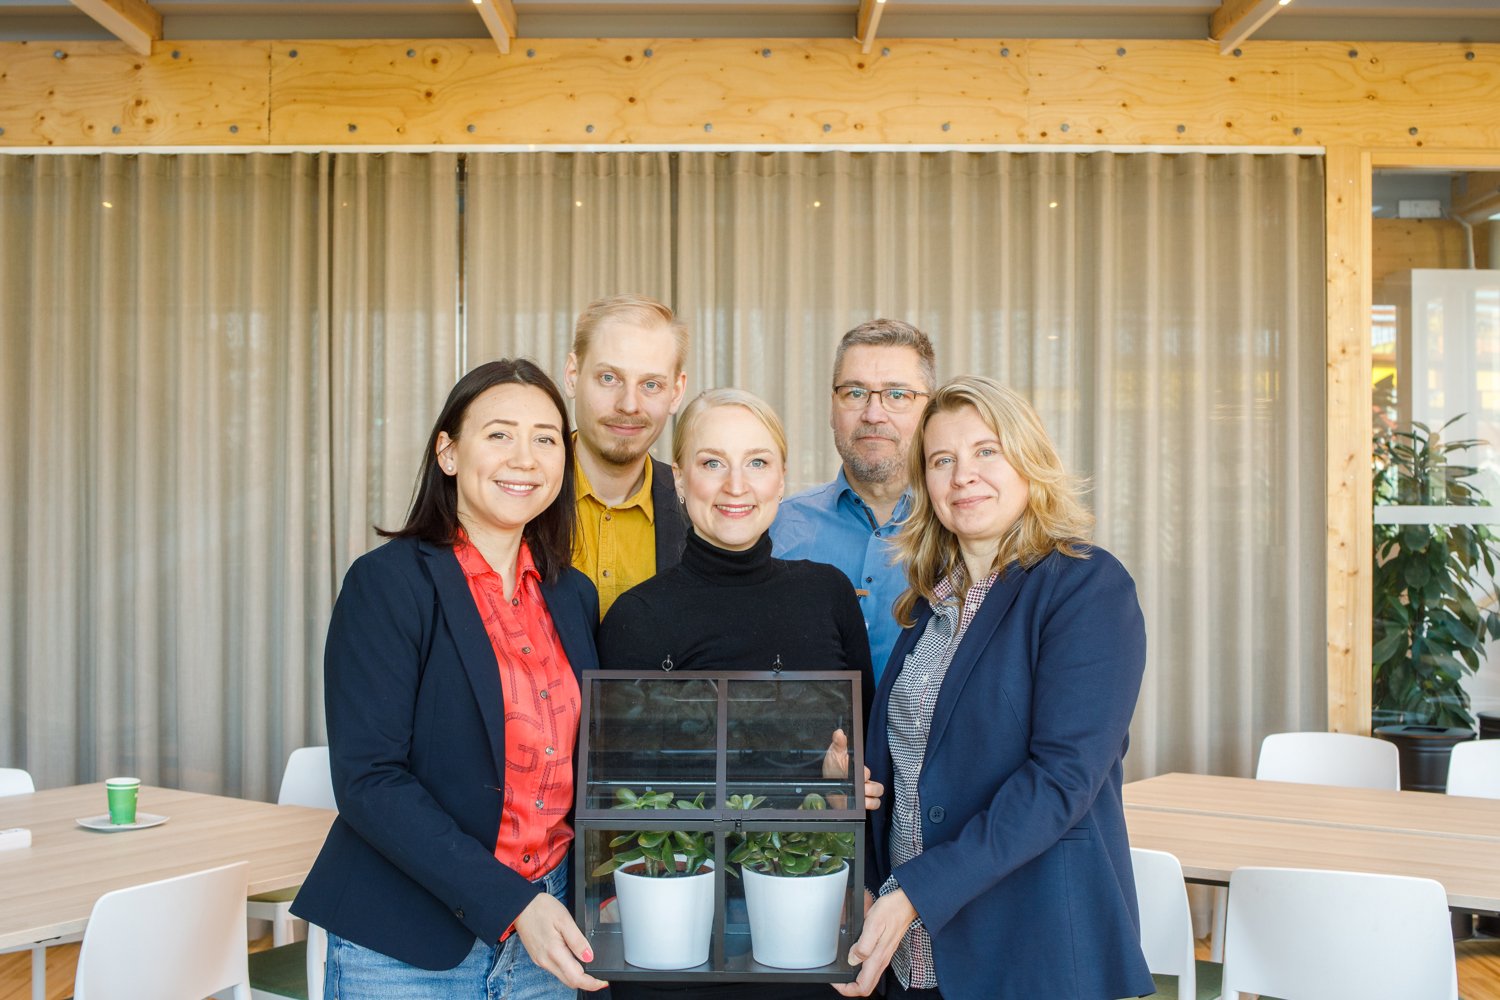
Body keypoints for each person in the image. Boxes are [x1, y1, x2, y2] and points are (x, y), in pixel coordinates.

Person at [293, 359, 608, 998]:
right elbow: (370, 781)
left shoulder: (572, 596)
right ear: (448, 452)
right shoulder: (387, 583)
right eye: (499, 434)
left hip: (549, 936)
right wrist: (513, 903)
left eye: (546, 438)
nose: (525, 458)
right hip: (406, 946)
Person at [835, 375, 1154, 1000]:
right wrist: (861, 788)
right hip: (916, 955)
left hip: (1032, 949)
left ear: (1028, 461)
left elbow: (1061, 780)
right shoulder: (929, 605)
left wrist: (916, 893)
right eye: (942, 460)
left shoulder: (1085, 588)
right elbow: (914, 764)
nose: (963, 476)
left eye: (987, 451)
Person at [598, 388, 880, 1000]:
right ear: (678, 482)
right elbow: (618, 797)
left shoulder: (827, 595)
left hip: (808, 915)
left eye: (756, 462)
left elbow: (861, 752)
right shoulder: (635, 617)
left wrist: (844, 786)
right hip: (674, 925)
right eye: (711, 462)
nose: (736, 485)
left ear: (782, 480)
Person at [770, 319, 936, 680]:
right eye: (855, 393)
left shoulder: (961, 532)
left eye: (897, 394)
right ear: (833, 408)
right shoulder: (776, 528)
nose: (873, 414)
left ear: (929, 411)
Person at [564, 294, 690, 619]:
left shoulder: (700, 511)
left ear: (675, 392)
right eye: (609, 378)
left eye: (650, 385)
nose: (629, 405)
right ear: (572, 374)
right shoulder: (517, 494)